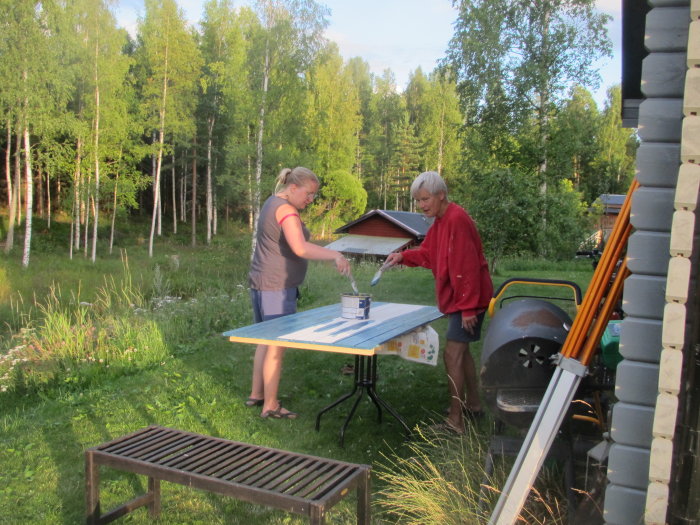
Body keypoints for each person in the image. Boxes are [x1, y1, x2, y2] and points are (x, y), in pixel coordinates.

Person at [384, 171, 493, 434]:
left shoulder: (457, 219)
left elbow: (467, 265)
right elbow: (429, 253)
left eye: (425, 199)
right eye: (418, 201)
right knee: (462, 351)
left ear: (441, 195)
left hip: (467, 299)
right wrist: (402, 257)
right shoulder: (441, 221)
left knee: (451, 354)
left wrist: (467, 307)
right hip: (461, 299)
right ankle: (473, 405)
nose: (422, 205)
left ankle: (455, 422)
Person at [247, 166, 351, 419]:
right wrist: (335, 254)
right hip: (276, 288)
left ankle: (257, 394)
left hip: (261, 282)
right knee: (276, 346)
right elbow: (300, 248)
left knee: (265, 340)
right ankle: (270, 405)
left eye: (313, 195)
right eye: (309, 193)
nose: (310, 199)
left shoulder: (271, 202)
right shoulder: (286, 210)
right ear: (293, 188)